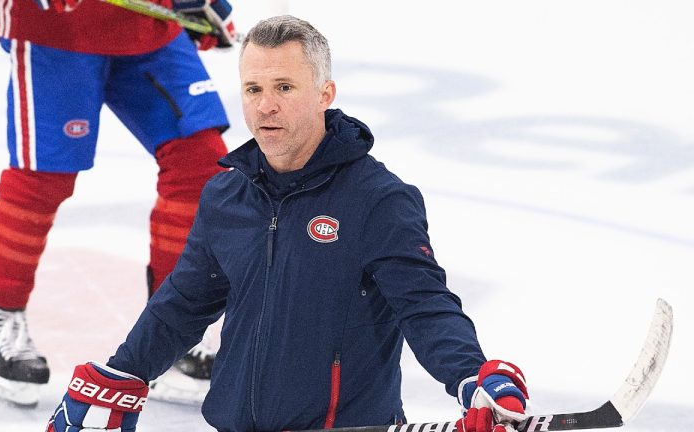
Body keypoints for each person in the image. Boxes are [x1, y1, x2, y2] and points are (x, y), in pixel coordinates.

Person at [46, 15, 530, 432]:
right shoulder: (226, 195)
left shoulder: (377, 200)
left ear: (325, 93)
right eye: (253, 89)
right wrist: (122, 373)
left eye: (283, 87)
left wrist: (471, 376)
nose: (265, 106)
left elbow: (425, 306)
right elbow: (183, 305)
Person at [0, 0, 238, 407]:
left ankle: (170, 333)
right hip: (55, 29)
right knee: (44, 177)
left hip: (147, 22)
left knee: (199, 165)